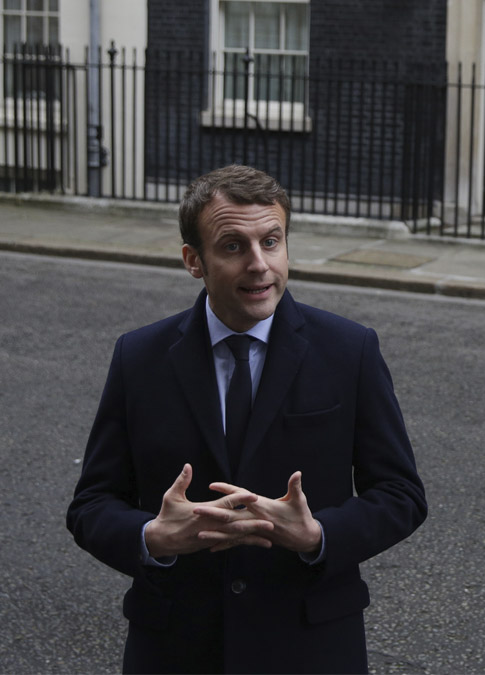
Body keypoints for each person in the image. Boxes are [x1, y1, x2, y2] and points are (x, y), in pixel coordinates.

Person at [66, 165, 427, 673]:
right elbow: (91, 505)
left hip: (309, 647)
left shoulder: (350, 351)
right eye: (234, 246)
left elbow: (401, 495)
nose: (260, 264)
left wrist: (318, 535)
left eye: (271, 242)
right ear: (194, 260)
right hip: (177, 647)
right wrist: (152, 537)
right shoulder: (140, 357)